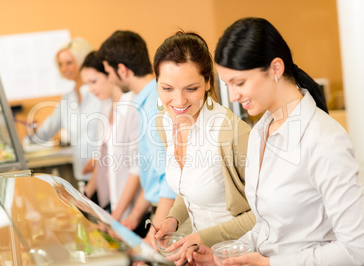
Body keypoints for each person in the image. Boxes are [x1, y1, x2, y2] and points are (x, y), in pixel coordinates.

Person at [192, 17, 364, 266]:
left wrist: (269, 263)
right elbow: (269, 229)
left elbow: (356, 250)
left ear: (275, 68)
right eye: (227, 84)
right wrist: (234, 254)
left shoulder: (324, 139)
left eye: (239, 83)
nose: (233, 95)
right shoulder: (260, 132)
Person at [151, 31, 255, 266]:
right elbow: (189, 184)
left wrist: (203, 237)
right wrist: (173, 219)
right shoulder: (165, 122)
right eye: (167, 89)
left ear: (208, 82)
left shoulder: (231, 133)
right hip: (201, 257)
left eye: (190, 89)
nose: (178, 102)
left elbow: (268, 213)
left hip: (240, 256)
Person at [98, 30, 177, 243]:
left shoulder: (152, 107)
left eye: (109, 72)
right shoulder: (145, 100)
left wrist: (153, 237)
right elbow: (151, 171)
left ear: (122, 70)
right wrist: (133, 217)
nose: (110, 79)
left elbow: (169, 180)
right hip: (159, 211)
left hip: (170, 217)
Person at [80, 51, 148, 236]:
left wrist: (116, 216)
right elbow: (102, 162)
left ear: (110, 75)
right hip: (113, 202)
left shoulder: (133, 106)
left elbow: (137, 167)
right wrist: (84, 199)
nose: (91, 89)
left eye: (93, 81)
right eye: (87, 83)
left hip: (134, 209)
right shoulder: (105, 108)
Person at [31, 38, 106, 202]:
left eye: (69, 62)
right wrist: (32, 129)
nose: (64, 68)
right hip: (82, 176)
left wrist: (97, 158)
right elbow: (45, 132)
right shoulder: (67, 99)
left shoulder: (101, 94)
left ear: (82, 60)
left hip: (105, 173)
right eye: (60, 64)